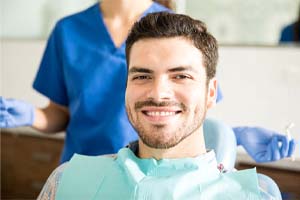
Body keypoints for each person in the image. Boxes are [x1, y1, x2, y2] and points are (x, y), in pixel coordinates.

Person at [0, 0, 296, 164]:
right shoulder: (68, 31)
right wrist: (31, 116)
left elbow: (184, 115)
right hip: (84, 167)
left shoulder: (174, 28)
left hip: (155, 172)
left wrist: (234, 136)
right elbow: (60, 113)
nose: (158, 89)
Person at [37, 12, 275, 199]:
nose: (158, 93)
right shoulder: (67, 183)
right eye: (142, 76)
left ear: (210, 92)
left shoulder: (254, 195)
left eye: (180, 76)